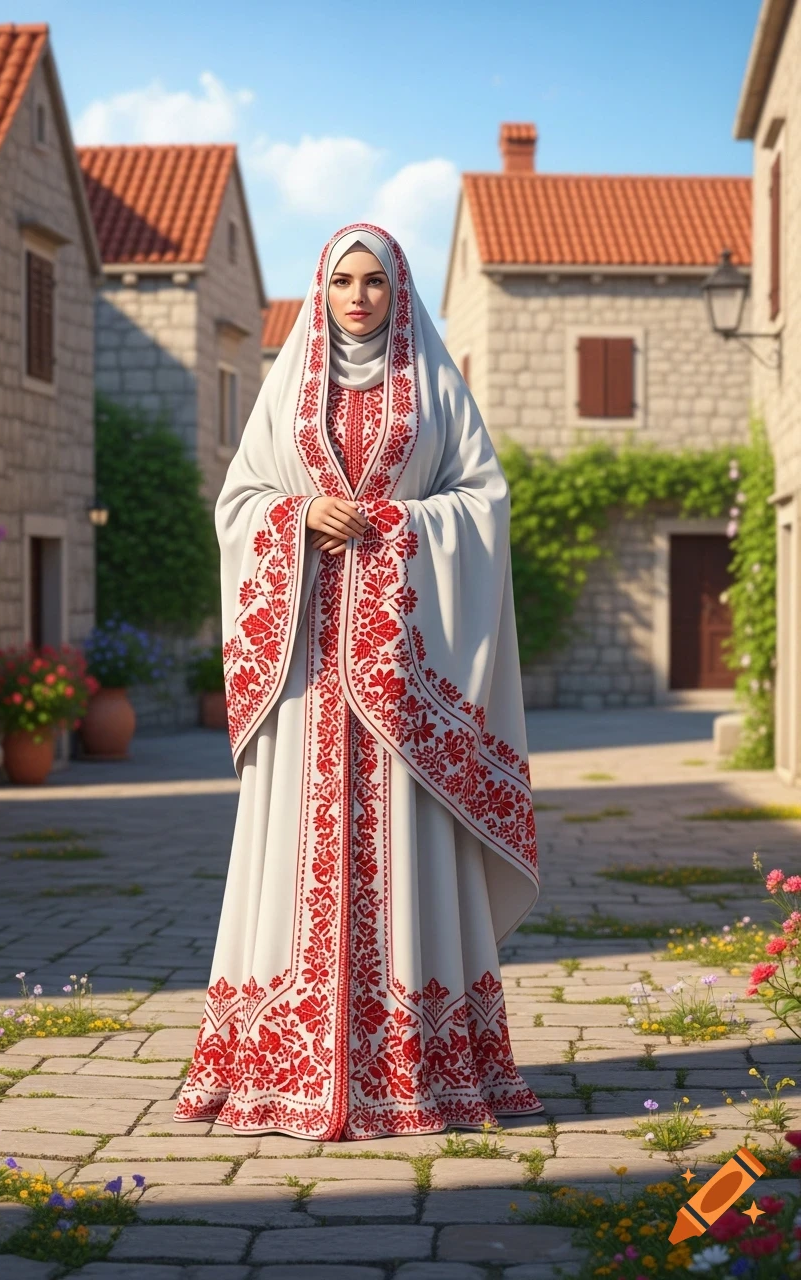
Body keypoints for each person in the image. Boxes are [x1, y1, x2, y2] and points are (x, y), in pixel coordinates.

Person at [174, 224, 542, 1141]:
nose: (357, 296)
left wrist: (393, 527)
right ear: (321, 288)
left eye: (374, 281)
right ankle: (275, 1067)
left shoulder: (435, 391)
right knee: (290, 856)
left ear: (399, 292)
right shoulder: (287, 390)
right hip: (305, 674)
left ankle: (417, 1071)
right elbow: (241, 502)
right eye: (342, 279)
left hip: (403, 682)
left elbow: (481, 504)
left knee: (408, 857)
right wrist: (298, 516)